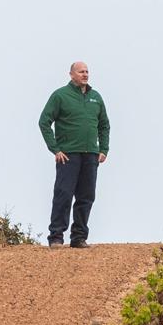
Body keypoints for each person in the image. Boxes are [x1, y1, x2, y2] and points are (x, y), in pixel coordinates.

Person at [38, 61, 110, 248]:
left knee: (86, 196)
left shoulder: (96, 97)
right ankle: (56, 236)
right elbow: (44, 121)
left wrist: (103, 149)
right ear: (71, 74)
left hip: (91, 155)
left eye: (87, 71)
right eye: (81, 72)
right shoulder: (60, 96)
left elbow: (104, 125)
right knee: (63, 194)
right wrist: (55, 148)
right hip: (68, 154)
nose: (85, 74)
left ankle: (78, 237)